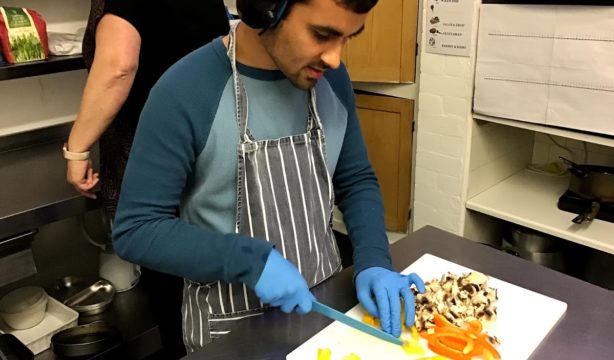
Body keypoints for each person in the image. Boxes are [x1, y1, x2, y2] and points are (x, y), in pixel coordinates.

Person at [112, 0, 426, 352]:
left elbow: (356, 180)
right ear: (265, 8)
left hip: (324, 316)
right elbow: (136, 230)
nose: (335, 58)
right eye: (322, 34)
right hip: (230, 332)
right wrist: (248, 260)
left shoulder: (332, 81)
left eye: (348, 37)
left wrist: (374, 260)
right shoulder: (185, 90)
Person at [63, 1, 230, 358]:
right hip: (214, 159)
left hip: (162, 166)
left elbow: (118, 67)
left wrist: (76, 149)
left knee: (173, 295)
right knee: (214, 290)